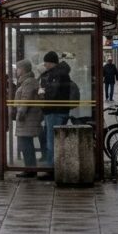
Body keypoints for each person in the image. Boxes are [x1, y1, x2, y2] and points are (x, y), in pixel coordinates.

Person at [39, 50, 71, 179]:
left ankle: (51, 169)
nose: (45, 65)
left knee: (51, 141)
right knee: (55, 140)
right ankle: (55, 166)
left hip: (54, 111)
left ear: (51, 62)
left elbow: (52, 93)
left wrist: (42, 93)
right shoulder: (61, 73)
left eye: (46, 62)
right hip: (59, 110)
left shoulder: (56, 75)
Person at [13, 59, 42, 178]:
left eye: (18, 68)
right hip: (27, 117)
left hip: (27, 118)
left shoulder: (29, 82)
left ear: (23, 69)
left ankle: (30, 168)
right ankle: (29, 167)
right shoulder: (27, 81)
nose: (16, 71)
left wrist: (20, 114)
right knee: (25, 143)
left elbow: (25, 99)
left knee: (25, 143)